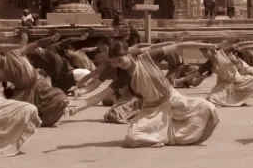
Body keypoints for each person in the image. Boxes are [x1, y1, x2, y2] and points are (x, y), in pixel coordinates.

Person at [66, 41, 219, 148]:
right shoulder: (124, 77)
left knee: (208, 107)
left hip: (173, 99)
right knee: (133, 138)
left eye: (121, 60)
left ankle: (165, 135)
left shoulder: (148, 57)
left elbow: (179, 46)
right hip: (151, 110)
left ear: (128, 54)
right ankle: (163, 136)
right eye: (116, 63)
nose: (120, 65)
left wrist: (207, 45)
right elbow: (98, 96)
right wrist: (76, 108)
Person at [0, 33, 69, 127]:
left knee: (60, 98)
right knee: (26, 115)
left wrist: (52, 38)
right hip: (25, 94)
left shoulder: (15, 53)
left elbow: (37, 43)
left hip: (40, 85)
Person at [205, 40, 253, 107]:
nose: (205, 54)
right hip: (223, 84)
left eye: (206, 52)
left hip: (237, 79)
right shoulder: (208, 64)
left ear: (212, 51)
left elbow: (240, 44)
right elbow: (196, 78)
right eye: (203, 53)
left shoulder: (222, 52)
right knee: (211, 100)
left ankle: (242, 99)